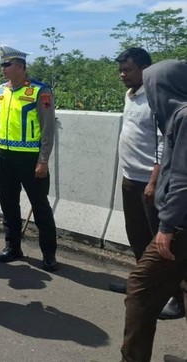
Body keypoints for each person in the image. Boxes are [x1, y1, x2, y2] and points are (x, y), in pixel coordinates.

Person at [121, 59, 187, 362]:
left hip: (179, 226)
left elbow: (183, 180)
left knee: (139, 287)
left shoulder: (184, 118)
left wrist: (166, 227)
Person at [110, 49, 184, 318]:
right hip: (130, 178)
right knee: (138, 237)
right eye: (120, 70)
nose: (122, 75)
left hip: (150, 183)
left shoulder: (157, 99)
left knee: (164, 246)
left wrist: (154, 181)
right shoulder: (129, 96)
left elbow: (165, 142)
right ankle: (143, 286)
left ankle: (177, 298)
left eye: (127, 70)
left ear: (145, 69)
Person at [0, 45, 59, 272]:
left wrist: (43, 160)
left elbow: (48, 129)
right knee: (8, 205)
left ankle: (48, 254)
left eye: (6, 65)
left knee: (40, 207)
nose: (2, 69)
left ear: (20, 66)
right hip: (4, 156)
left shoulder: (40, 91)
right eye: (1, 65)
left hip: (31, 158)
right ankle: (13, 246)